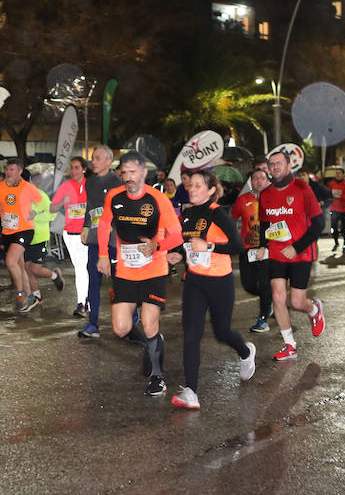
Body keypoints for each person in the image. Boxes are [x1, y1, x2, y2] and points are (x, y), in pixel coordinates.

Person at [166, 169, 256, 409]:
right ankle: (191, 392)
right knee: (191, 335)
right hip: (195, 281)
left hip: (219, 281)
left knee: (222, 332)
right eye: (190, 185)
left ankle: (246, 352)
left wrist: (209, 246)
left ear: (211, 190)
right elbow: (189, 246)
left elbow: (238, 245)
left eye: (197, 185)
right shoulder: (186, 215)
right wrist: (179, 255)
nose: (192, 189)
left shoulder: (218, 214)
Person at [96, 151, 182, 395]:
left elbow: (176, 233)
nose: (128, 177)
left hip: (154, 268)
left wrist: (157, 245)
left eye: (133, 172)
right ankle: (151, 343)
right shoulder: (114, 196)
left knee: (148, 322)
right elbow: (104, 224)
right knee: (120, 328)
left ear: (144, 172)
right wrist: (103, 254)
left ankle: (157, 377)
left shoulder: (158, 199)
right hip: (126, 270)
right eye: (125, 172)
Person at [259, 149, 326, 362]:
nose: (275, 167)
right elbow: (264, 225)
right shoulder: (266, 194)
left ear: (289, 166)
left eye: (279, 163)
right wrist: (262, 246)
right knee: (278, 297)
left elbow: (319, 224)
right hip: (276, 254)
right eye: (272, 164)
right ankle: (289, 345)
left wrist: (297, 247)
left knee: (297, 303)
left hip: (301, 254)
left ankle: (314, 309)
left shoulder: (303, 189)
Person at [77, 145, 121, 339]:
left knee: (120, 281)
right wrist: (86, 227)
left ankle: (132, 319)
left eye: (97, 158)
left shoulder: (118, 182)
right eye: (92, 158)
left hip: (115, 241)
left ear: (108, 161)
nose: (93, 161)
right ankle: (93, 323)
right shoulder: (90, 183)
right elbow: (90, 207)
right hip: (96, 239)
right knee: (93, 281)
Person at [0, 159, 42, 313]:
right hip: (8, 231)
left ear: (19, 172)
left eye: (12, 169)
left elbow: (42, 203)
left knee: (10, 261)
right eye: (8, 169)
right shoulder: (0, 186)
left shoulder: (27, 187)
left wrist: (35, 211)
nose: (9, 172)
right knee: (19, 266)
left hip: (24, 230)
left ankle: (21, 294)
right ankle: (31, 297)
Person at [231, 165, 274, 333]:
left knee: (264, 283)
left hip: (267, 248)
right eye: (255, 178)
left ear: (267, 180)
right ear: (251, 182)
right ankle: (269, 298)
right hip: (247, 249)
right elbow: (231, 219)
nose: (259, 181)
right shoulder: (243, 200)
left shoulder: (274, 199)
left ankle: (263, 318)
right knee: (248, 285)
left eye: (262, 178)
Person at [50, 156, 90, 316]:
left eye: (76, 167)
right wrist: (62, 202)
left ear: (84, 169)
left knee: (85, 268)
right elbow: (52, 208)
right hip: (71, 234)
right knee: (80, 268)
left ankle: (84, 303)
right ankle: (83, 303)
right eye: (71, 167)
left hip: (87, 234)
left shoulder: (90, 185)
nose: (73, 171)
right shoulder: (66, 186)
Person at [22, 181, 64, 308]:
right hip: (25, 238)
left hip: (40, 237)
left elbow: (52, 214)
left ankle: (54, 275)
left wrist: (35, 217)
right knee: (26, 268)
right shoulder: (20, 197)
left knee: (35, 269)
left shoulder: (41, 196)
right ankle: (37, 296)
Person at [327, 170, 345, 254]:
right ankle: (336, 242)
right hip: (334, 209)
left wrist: (340, 195)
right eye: (336, 173)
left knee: (344, 228)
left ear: (343, 175)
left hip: (344, 209)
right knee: (333, 227)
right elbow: (328, 194)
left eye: (339, 173)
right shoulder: (331, 184)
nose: (337, 175)